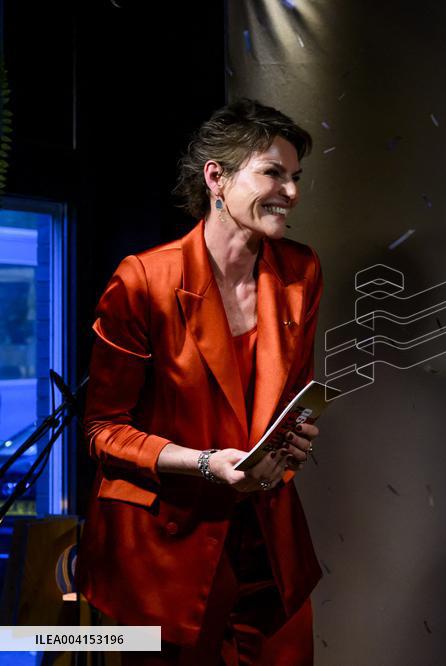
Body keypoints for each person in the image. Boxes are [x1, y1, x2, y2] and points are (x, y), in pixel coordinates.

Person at [77, 99, 324, 665]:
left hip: (268, 550)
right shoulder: (144, 280)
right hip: (165, 555)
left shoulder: (302, 270)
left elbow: (294, 400)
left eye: (295, 178)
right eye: (273, 173)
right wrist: (206, 462)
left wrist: (293, 442)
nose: (291, 192)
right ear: (217, 176)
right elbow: (101, 430)